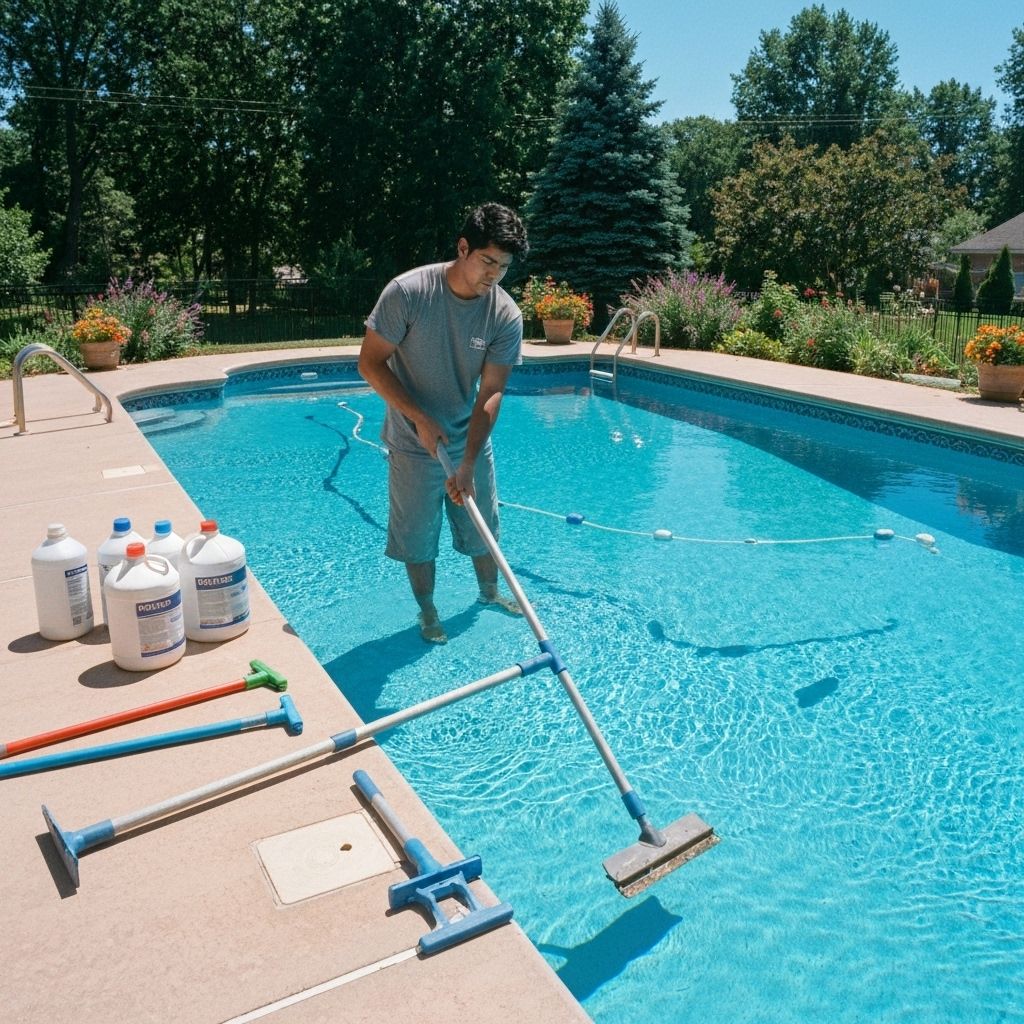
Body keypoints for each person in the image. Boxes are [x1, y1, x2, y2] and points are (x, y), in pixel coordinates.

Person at [359, 202, 529, 643]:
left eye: (504, 266)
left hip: (466, 436)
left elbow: (491, 391)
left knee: (481, 526)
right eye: (487, 260)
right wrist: (418, 418)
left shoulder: (504, 314)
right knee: (418, 536)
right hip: (411, 440)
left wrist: (468, 461)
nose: (494, 274)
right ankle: (428, 610)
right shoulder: (408, 292)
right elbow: (371, 364)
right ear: (463, 247)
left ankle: (489, 592)